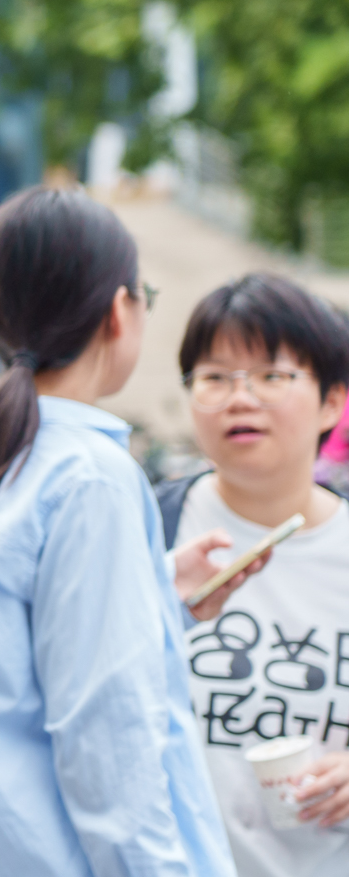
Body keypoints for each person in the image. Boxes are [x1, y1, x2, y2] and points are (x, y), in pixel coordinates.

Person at [0, 187, 235, 876]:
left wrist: (155, 594)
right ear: (119, 310)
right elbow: (107, 735)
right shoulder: (92, 476)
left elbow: (0, 657)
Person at [158, 274, 349, 876]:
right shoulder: (146, 525)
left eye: (272, 376)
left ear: (332, 402)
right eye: (215, 378)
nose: (240, 399)